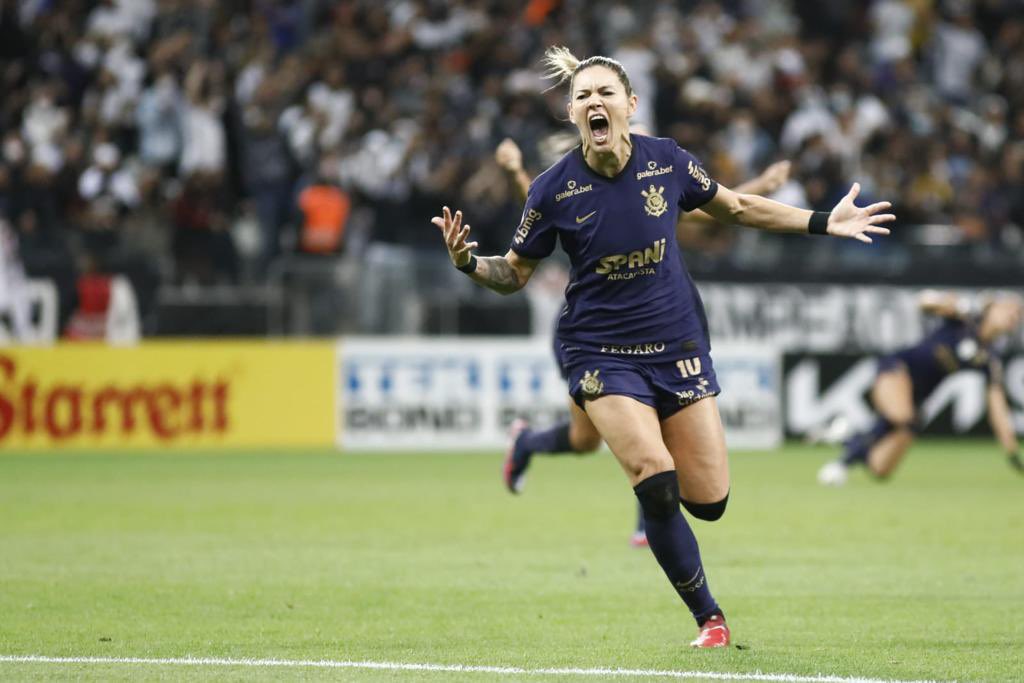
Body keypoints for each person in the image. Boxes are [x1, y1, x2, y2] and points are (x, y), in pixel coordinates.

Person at [431, 46, 893, 648]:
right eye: (582, 96)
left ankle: (673, 546)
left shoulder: (666, 161)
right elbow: (513, 271)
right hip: (598, 350)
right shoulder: (551, 190)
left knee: (710, 500)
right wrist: (469, 262)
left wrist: (821, 220)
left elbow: (736, 207)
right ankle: (711, 619)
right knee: (654, 475)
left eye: (605, 93)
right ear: (571, 113)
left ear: (630, 105)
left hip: (676, 343)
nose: (594, 102)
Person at [494, 136, 792, 550]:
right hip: (594, 332)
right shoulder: (565, 188)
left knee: (641, 428)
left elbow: (719, 208)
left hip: (652, 332)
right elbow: (533, 209)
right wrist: (513, 172)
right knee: (587, 441)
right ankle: (528, 443)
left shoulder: (658, 184)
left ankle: (647, 517)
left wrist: (760, 185)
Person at [818, 291, 1022, 486]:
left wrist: (1012, 452)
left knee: (879, 468)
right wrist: (958, 305)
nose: (1014, 316)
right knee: (902, 415)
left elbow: (998, 409)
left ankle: (847, 439)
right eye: (1009, 308)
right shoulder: (963, 320)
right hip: (897, 370)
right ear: (991, 307)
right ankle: (844, 452)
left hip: (918, 398)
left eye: (1019, 314)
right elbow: (924, 302)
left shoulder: (990, 360)